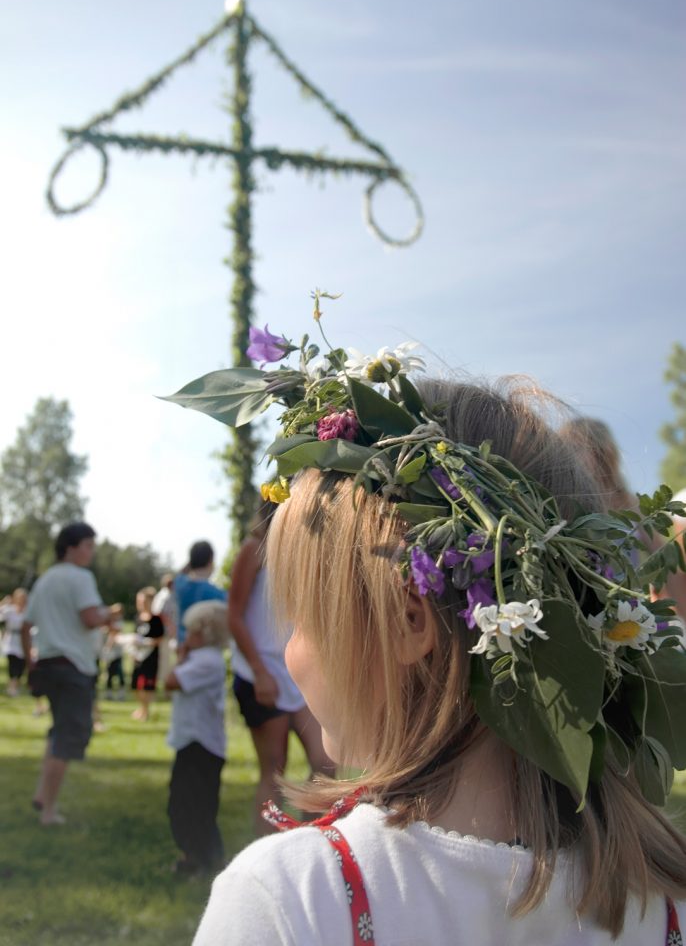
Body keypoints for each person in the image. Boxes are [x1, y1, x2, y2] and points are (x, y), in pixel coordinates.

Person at [186, 326, 686, 945]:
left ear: (407, 621)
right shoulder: (662, 903)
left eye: (307, 619)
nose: (289, 652)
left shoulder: (297, 901)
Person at [228, 498, 333, 835]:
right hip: (259, 672)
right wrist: (259, 671)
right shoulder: (254, 548)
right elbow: (233, 616)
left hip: (295, 673)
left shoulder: (303, 551)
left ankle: (309, 847)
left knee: (326, 761)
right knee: (275, 768)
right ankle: (266, 858)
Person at [21, 522, 114, 825]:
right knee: (67, 737)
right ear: (71, 547)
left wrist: (29, 661)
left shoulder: (45, 579)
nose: (91, 552)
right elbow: (89, 618)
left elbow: (24, 625)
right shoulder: (80, 577)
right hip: (73, 667)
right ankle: (49, 811)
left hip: (47, 665)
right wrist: (108, 615)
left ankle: (41, 795)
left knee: (58, 730)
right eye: (88, 545)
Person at [561, 416, 686, 621]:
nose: (572, 456)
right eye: (569, 447)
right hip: (581, 613)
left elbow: (665, 561)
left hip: (629, 613)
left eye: (579, 447)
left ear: (604, 453)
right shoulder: (565, 504)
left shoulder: (632, 504)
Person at [165, 600, 228, 876]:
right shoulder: (204, 659)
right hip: (195, 740)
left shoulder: (207, 660)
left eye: (190, 631)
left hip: (200, 743)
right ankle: (198, 857)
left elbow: (170, 682)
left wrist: (181, 656)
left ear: (204, 633)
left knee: (191, 805)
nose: (186, 636)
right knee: (190, 803)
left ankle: (202, 859)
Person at [174, 543, 226, 645]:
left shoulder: (180, 584)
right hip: (204, 647)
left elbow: (181, 572)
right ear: (210, 560)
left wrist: (194, 559)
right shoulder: (216, 593)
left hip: (182, 644)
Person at [130, 586, 164, 721]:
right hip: (137, 656)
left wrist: (146, 643)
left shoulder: (156, 619)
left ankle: (146, 710)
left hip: (150, 656)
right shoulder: (137, 618)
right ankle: (141, 707)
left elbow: (159, 639)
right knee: (135, 685)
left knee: (148, 685)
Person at [1, 587, 28, 696]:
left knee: (21, 665)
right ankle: (12, 686)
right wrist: (3, 603)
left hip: (23, 639)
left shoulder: (28, 610)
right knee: (13, 663)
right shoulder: (10, 609)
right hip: (11, 640)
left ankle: (15, 685)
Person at [152, 574, 176, 689]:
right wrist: (170, 626)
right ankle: (165, 686)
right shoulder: (165, 596)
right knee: (165, 661)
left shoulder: (163, 595)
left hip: (164, 632)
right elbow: (160, 614)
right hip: (164, 633)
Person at [103, 603, 126, 700]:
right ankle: (109, 693)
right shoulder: (109, 621)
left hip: (117, 652)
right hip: (110, 652)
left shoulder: (118, 622)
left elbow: (115, 631)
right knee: (109, 673)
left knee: (119, 672)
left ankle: (121, 693)